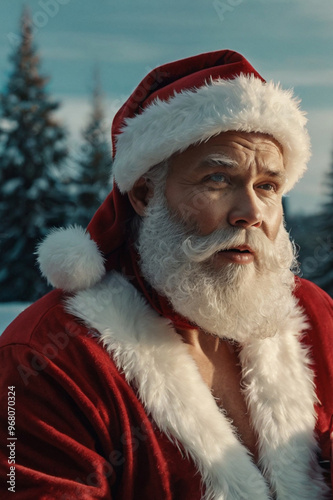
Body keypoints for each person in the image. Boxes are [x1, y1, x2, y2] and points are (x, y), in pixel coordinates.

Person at [0, 49, 332, 500]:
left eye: (268, 187)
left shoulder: (314, 313)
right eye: (218, 180)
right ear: (143, 194)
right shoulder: (45, 357)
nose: (251, 213)